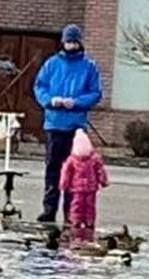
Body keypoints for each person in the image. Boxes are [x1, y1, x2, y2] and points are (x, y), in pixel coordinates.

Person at [32, 24, 104, 223]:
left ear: (79, 42)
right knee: (53, 169)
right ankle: (49, 209)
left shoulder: (89, 67)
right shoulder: (52, 64)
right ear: (63, 42)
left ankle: (71, 212)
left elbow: (95, 93)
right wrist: (50, 100)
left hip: (76, 126)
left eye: (74, 41)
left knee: (76, 171)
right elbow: (40, 87)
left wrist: (77, 102)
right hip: (54, 124)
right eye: (68, 41)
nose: (71, 45)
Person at [60, 129, 109, 241]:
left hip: (77, 187)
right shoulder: (94, 158)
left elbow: (66, 173)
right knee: (89, 206)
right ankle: (89, 221)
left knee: (77, 205)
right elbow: (100, 171)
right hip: (91, 187)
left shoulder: (72, 160)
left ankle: (76, 221)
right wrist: (103, 181)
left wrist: (64, 185)